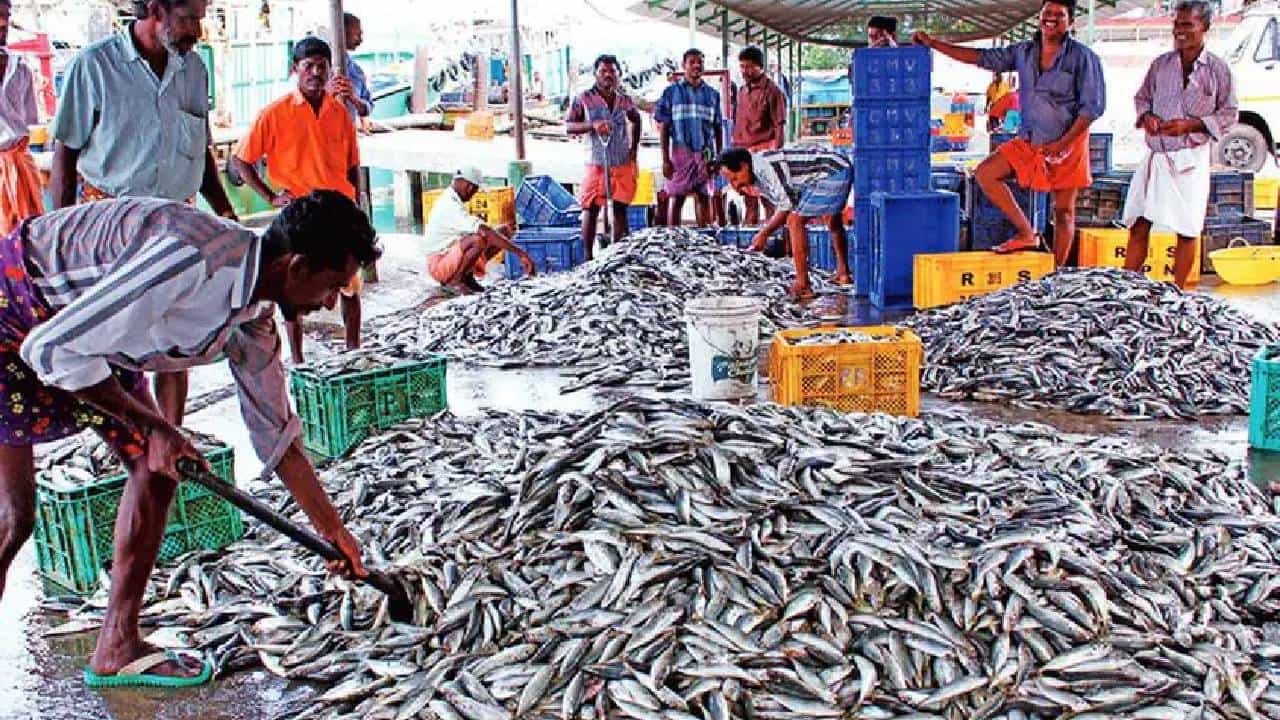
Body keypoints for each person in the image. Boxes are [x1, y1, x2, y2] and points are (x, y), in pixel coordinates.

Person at [0, 191, 378, 688]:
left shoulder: (256, 313)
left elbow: (275, 433)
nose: (330, 301)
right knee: (14, 517)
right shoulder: (191, 258)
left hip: (93, 338)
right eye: (330, 286)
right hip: (17, 309)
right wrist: (157, 427)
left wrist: (333, 533)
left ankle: (116, 644)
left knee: (155, 470)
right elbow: (50, 348)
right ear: (298, 266)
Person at [49, 0, 239, 426]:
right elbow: (65, 156)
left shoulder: (194, 69)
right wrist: (58, 229)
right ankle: (127, 432)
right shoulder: (93, 66)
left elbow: (200, 148)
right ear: (156, 10)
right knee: (112, 332)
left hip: (177, 222)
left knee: (175, 334)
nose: (198, 31)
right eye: (189, 18)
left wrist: (225, 211)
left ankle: (169, 433)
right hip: (109, 223)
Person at [914, 0, 1106, 266]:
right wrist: (934, 44)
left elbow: (1092, 108)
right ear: (1040, 17)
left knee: (1063, 212)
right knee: (986, 173)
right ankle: (1028, 233)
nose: (1051, 19)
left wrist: (1064, 142)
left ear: (1070, 22)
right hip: (1030, 141)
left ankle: (1057, 273)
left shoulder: (1083, 57)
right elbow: (981, 58)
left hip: (1069, 145)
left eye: (1059, 15)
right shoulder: (1023, 52)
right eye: (1046, 13)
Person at [232, 37, 363, 364]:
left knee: (350, 284)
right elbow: (240, 161)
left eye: (322, 66)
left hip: (339, 211)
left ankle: (354, 349)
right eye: (309, 66)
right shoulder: (274, 113)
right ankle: (298, 358)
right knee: (293, 289)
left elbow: (353, 165)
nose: (316, 73)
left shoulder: (340, 112)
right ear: (296, 69)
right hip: (299, 214)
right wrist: (271, 197)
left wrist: (357, 205)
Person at [1122, 1, 1237, 290]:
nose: (1180, 31)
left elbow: (1229, 114)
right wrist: (1146, 117)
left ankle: (1180, 292)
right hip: (1157, 155)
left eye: (1188, 25)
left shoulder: (1218, 70)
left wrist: (1192, 125)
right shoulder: (1161, 64)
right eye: (1177, 24)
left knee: (1187, 230)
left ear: (1205, 28)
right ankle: (1127, 288)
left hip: (1190, 158)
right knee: (1138, 223)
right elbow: (1142, 98)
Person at [718, 145, 854, 299]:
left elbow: (786, 207)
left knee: (795, 222)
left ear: (744, 165)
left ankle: (803, 285)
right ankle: (843, 274)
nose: (736, 186)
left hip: (833, 170)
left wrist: (763, 234)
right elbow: (786, 201)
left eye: (735, 178)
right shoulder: (757, 174)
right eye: (731, 182)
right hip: (836, 168)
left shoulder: (766, 167)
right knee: (831, 220)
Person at [565, 54, 641, 261]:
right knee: (590, 208)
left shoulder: (624, 99)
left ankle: (617, 255)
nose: (608, 75)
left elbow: (636, 118)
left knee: (620, 208)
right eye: (603, 71)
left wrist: (634, 148)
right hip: (596, 162)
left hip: (621, 161)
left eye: (612, 72)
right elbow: (569, 126)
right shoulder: (583, 98)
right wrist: (592, 125)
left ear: (619, 75)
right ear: (595, 74)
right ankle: (588, 257)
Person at [423, 166, 534, 292]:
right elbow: (483, 231)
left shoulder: (454, 199)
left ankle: (467, 277)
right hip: (440, 264)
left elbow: (487, 231)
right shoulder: (449, 205)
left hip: (452, 256)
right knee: (477, 240)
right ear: (468, 186)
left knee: (504, 231)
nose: (473, 193)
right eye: (475, 189)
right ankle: (456, 281)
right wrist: (521, 254)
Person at [656, 48, 722, 227]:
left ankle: (704, 239)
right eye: (692, 62)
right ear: (683, 66)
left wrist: (718, 157)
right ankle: (672, 240)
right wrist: (665, 159)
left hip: (706, 151)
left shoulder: (713, 95)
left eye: (700, 62)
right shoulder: (670, 93)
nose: (696, 65)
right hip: (679, 152)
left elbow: (717, 127)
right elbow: (664, 126)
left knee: (703, 196)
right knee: (676, 197)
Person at [0, 0, 43, 235]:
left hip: (21, 166)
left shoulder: (21, 68)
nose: (3, 22)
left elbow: (30, 121)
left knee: (27, 238)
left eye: (7, 15)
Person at [731, 47, 787, 225]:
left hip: (764, 151)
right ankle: (751, 235)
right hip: (743, 153)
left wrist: (777, 155)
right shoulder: (741, 91)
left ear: (760, 67)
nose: (744, 72)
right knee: (749, 199)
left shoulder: (773, 91)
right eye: (742, 67)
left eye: (748, 67)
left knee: (768, 198)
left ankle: (772, 237)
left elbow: (779, 125)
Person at [340, 13, 374, 124]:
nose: (360, 40)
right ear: (343, 32)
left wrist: (354, 99)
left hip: (347, 137)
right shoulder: (319, 71)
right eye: (357, 34)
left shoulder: (356, 71)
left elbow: (367, 108)